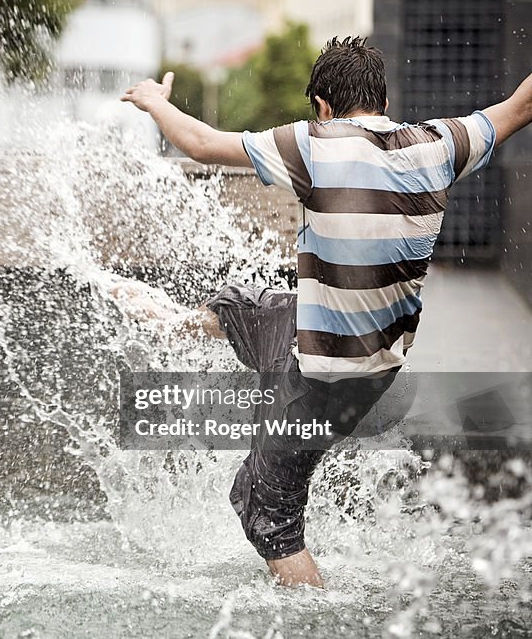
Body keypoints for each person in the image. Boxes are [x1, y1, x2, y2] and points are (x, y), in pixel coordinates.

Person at [121, 37, 532, 587]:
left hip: (321, 382)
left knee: (265, 512)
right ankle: (175, 321)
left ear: (322, 105)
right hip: (376, 369)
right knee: (254, 304)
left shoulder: (314, 144)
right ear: (383, 100)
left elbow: (198, 142)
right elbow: (521, 105)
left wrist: (154, 101)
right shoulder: (439, 143)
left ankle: (318, 614)